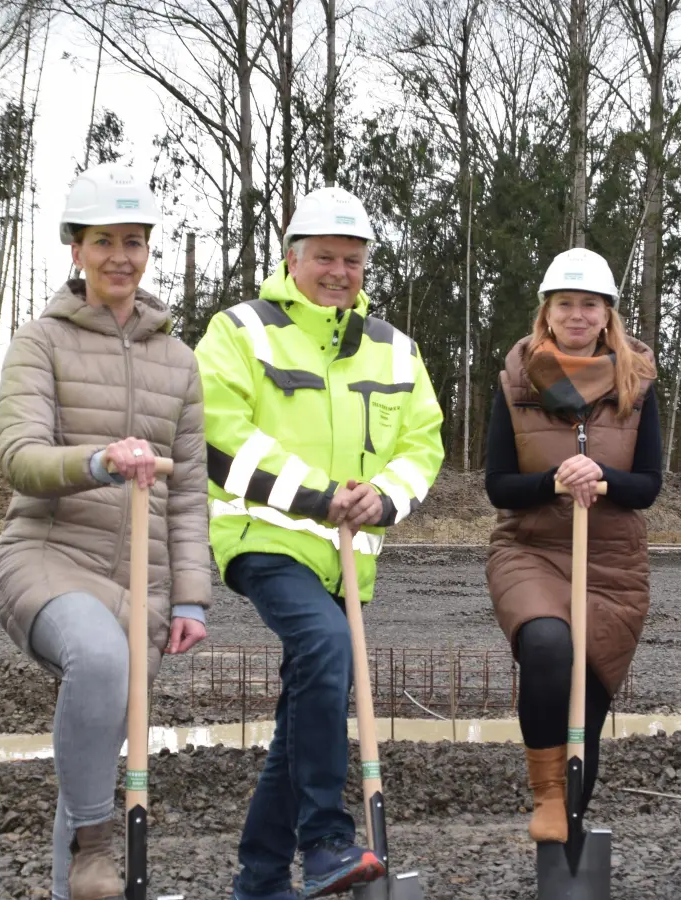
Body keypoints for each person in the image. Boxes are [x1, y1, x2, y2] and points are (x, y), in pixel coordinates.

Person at [198, 187, 444, 899]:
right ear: (292, 259)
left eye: (353, 260)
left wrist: (384, 496)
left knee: (304, 712)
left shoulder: (397, 351)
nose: (340, 272)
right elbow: (220, 436)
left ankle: (260, 877)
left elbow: (422, 443)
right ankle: (328, 839)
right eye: (326, 258)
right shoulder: (241, 331)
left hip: (345, 556)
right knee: (328, 651)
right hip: (264, 536)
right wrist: (318, 494)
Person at [0, 165, 211, 900]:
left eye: (135, 241)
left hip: (140, 582)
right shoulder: (39, 341)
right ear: (76, 248)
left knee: (92, 753)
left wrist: (190, 600)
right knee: (99, 655)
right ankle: (97, 842)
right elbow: (20, 461)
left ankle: (78, 875)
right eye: (105, 240)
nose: (122, 256)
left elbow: (188, 498)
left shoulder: (179, 362)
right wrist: (99, 461)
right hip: (47, 558)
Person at [484, 248, 660, 842]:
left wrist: (602, 479)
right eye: (566, 304)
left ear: (608, 314)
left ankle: (572, 828)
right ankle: (548, 797)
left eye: (590, 304)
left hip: (611, 561)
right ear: (548, 312)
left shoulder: (637, 383)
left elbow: (649, 487)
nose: (578, 315)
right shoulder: (515, 383)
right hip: (530, 548)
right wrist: (553, 480)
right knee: (546, 646)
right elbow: (498, 485)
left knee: (586, 699)